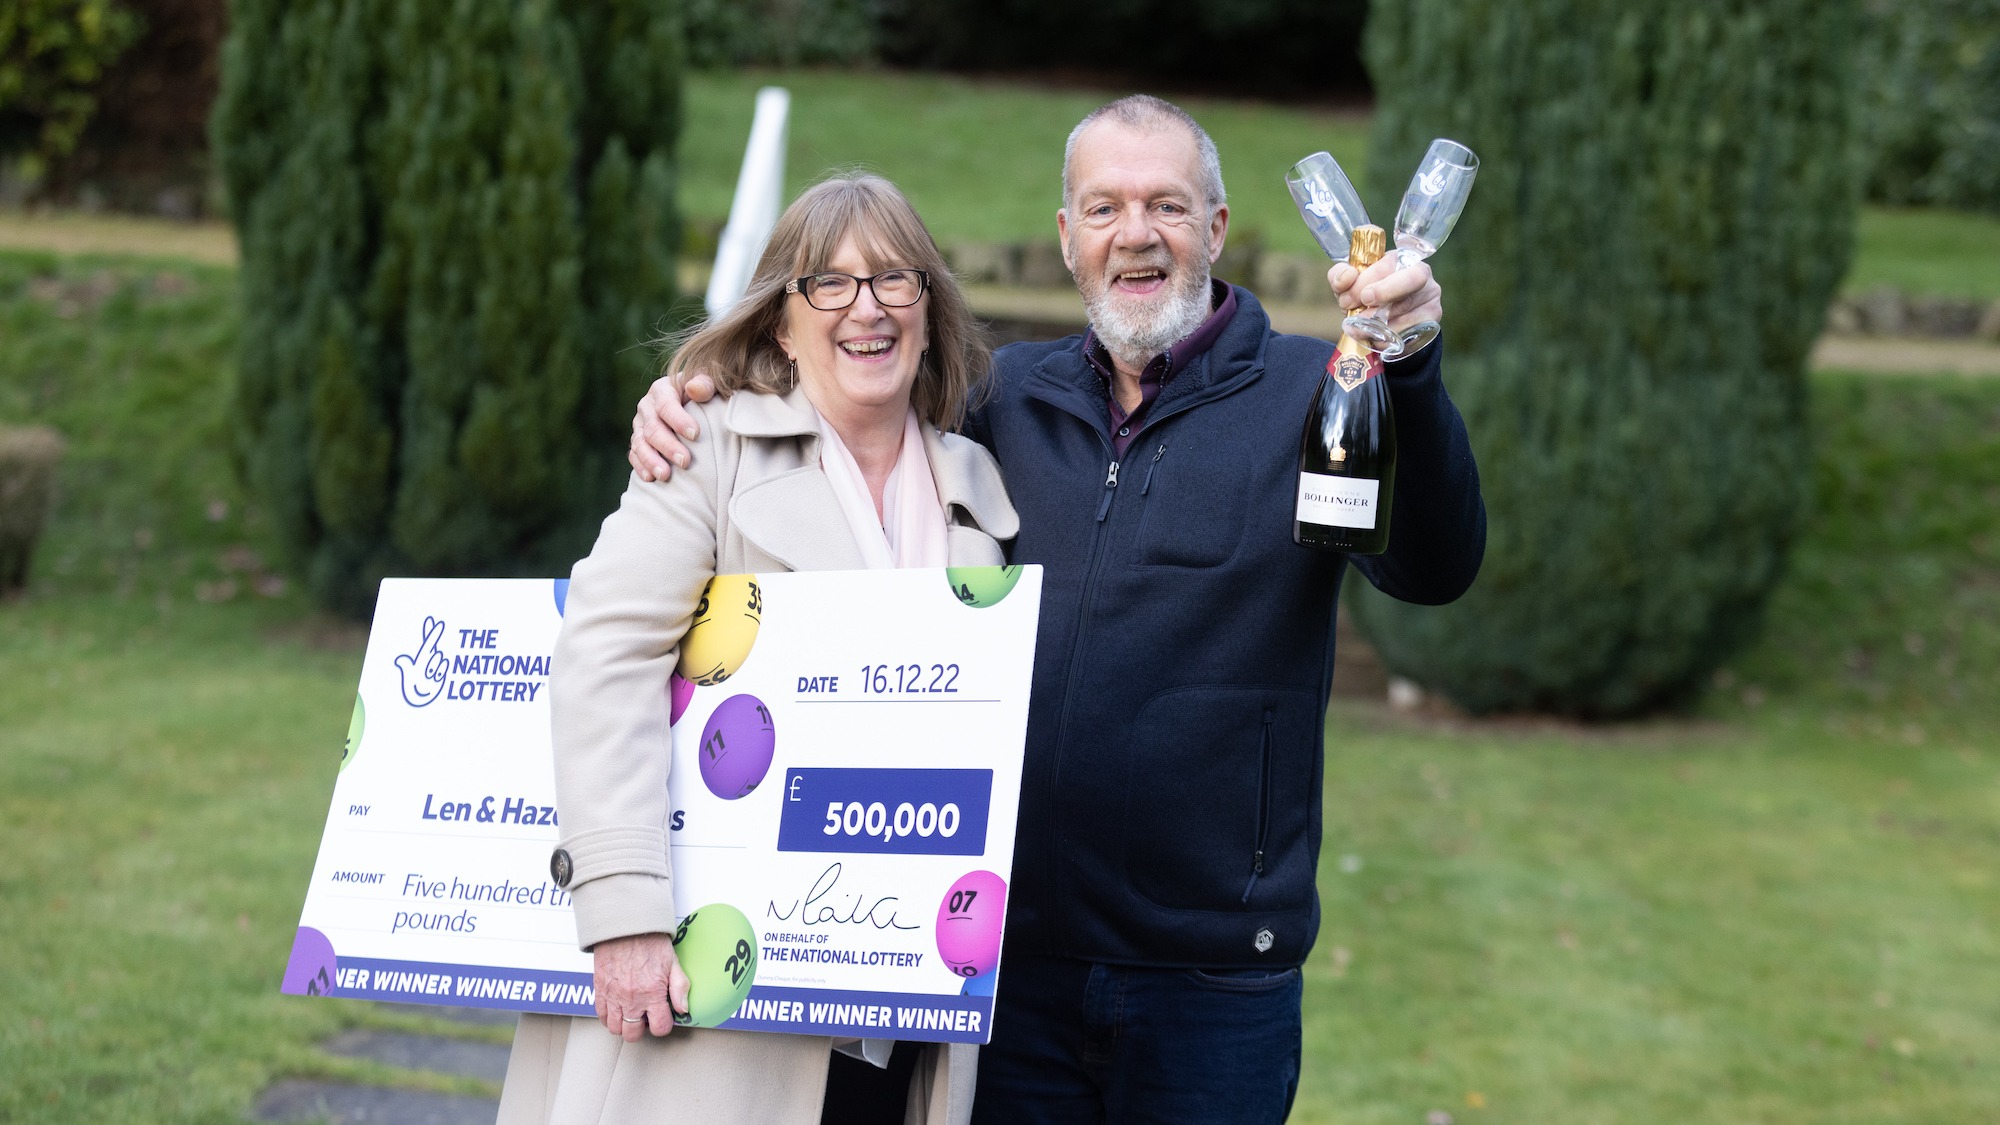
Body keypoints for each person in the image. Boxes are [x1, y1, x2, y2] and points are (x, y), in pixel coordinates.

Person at [629, 96, 1485, 1124]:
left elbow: (1434, 567)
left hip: (1212, 983)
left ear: (1215, 228)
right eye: (1104, 208)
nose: (1136, 233)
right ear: (1068, 236)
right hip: (1005, 969)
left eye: (1167, 205)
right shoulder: (999, 398)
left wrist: (1409, 369)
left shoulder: (1312, 392)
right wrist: (699, 395)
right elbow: (844, 386)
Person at [498, 173, 1017, 1125]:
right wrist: (623, 911)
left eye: (894, 279)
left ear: (928, 306)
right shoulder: (705, 448)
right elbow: (604, 657)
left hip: (897, 1007)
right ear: (782, 322)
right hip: (717, 1015)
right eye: (830, 283)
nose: (867, 308)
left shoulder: (978, 485)